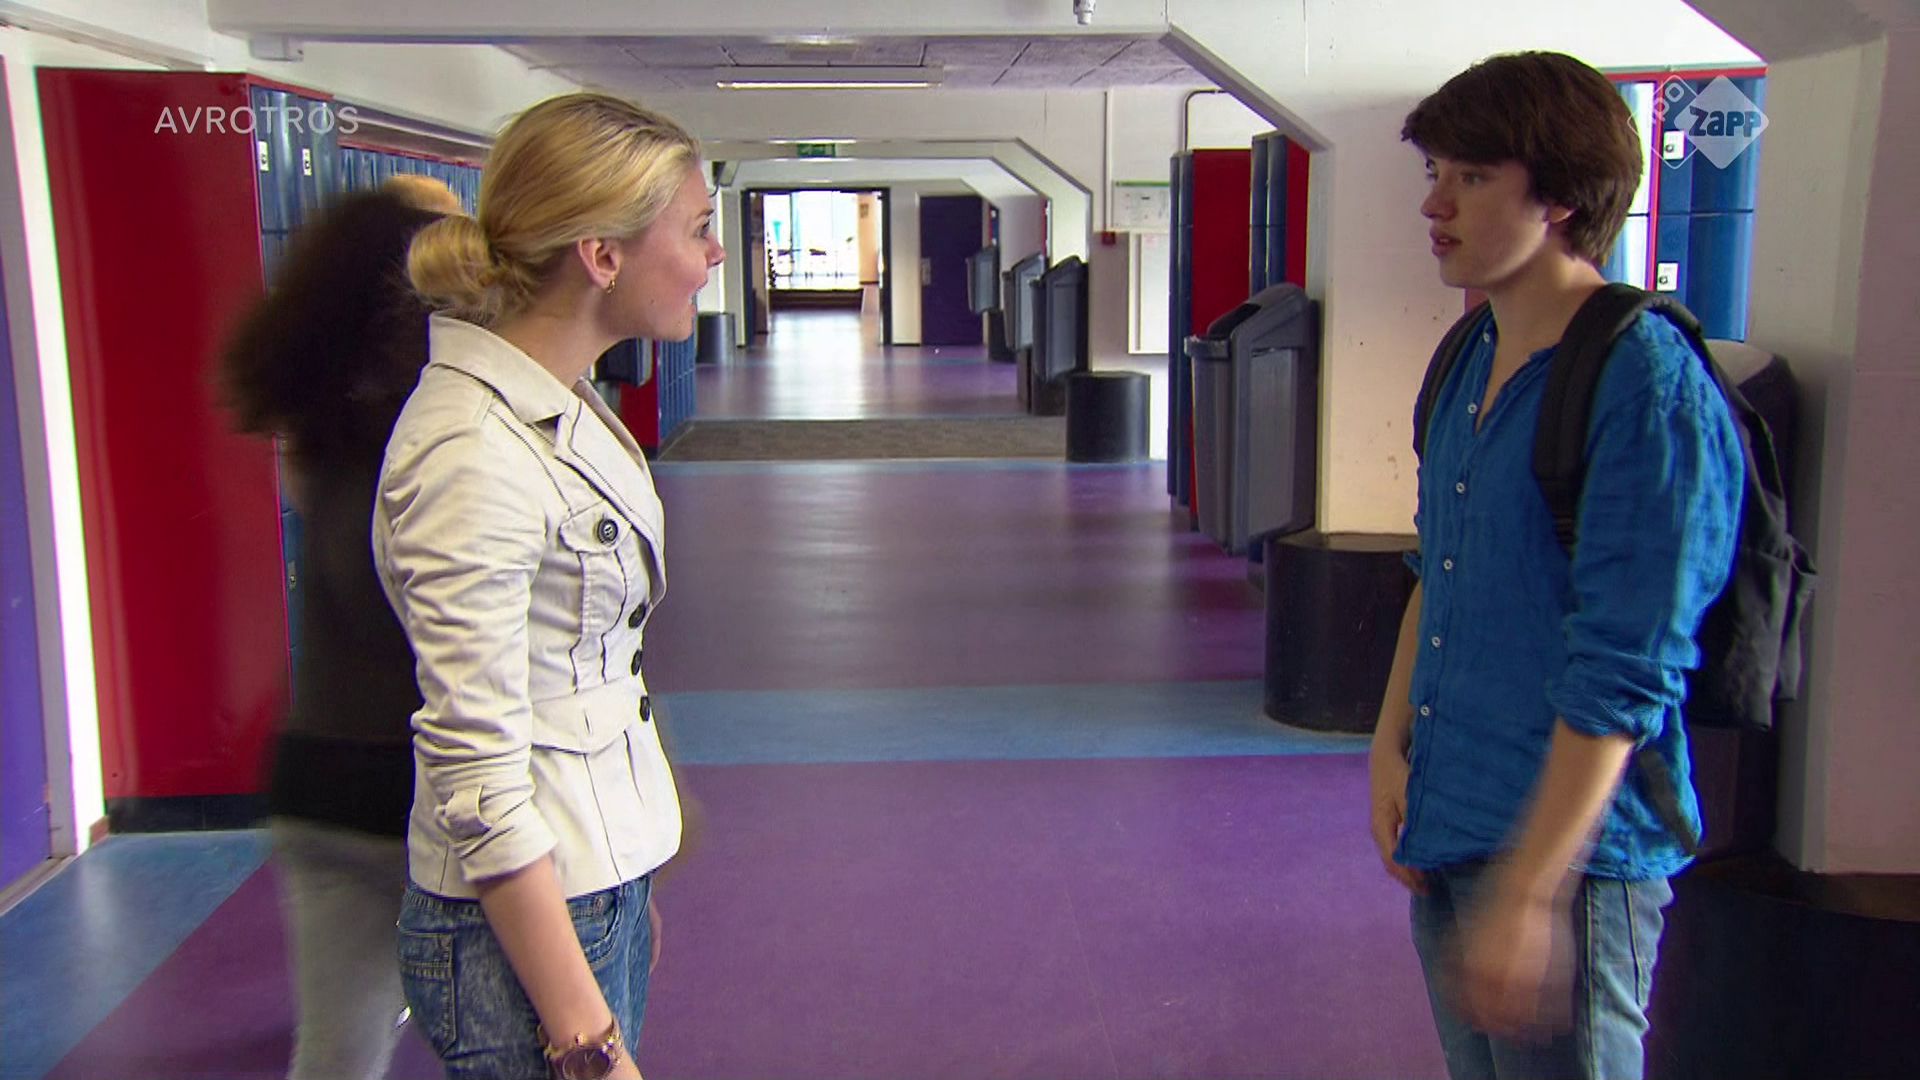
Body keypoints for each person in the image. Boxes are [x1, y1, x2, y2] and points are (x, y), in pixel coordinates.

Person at [1368, 52, 1744, 1080]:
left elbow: (1628, 665)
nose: (1435, 204)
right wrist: (1390, 750)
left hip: (1575, 859)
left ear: (1562, 199)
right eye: (1434, 173)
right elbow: (1440, 570)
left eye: (1473, 177)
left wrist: (1533, 891)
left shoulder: (1643, 384)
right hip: (1452, 820)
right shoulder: (1466, 358)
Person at [376, 92, 724, 1080]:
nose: (714, 255)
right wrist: (584, 1036)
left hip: (589, 881)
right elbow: (475, 769)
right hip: (524, 930)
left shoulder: (557, 406)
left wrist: (626, 880)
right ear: (601, 255)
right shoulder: (472, 452)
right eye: (697, 229)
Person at [218, 177, 458, 1080]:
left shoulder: (315, 432)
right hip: (433, 789)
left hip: (317, 778)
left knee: (335, 1053)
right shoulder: (443, 441)